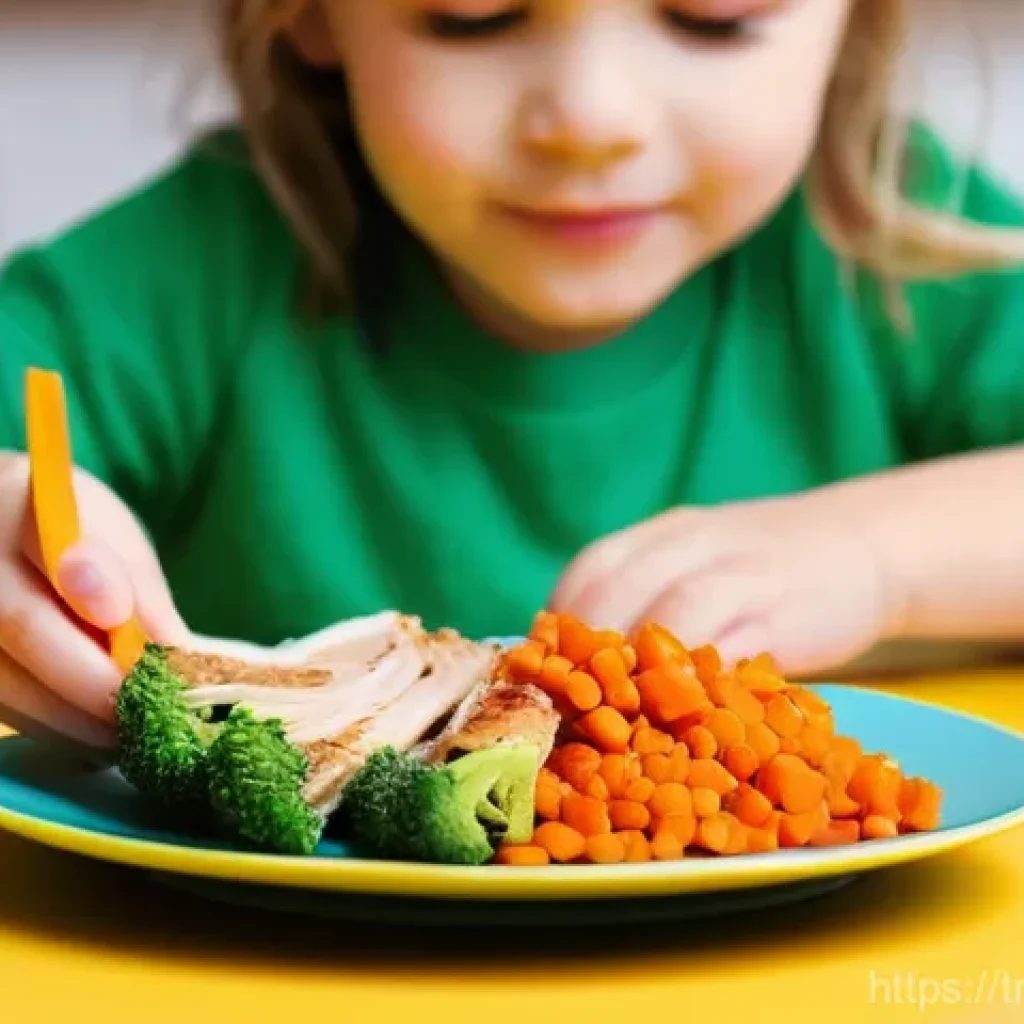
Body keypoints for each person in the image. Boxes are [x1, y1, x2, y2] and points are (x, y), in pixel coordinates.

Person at [2, 0, 1024, 750]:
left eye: (715, 15)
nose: (590, 117)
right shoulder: (189, 274)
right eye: (471, 14)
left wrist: (873, 557)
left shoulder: (907, 246)